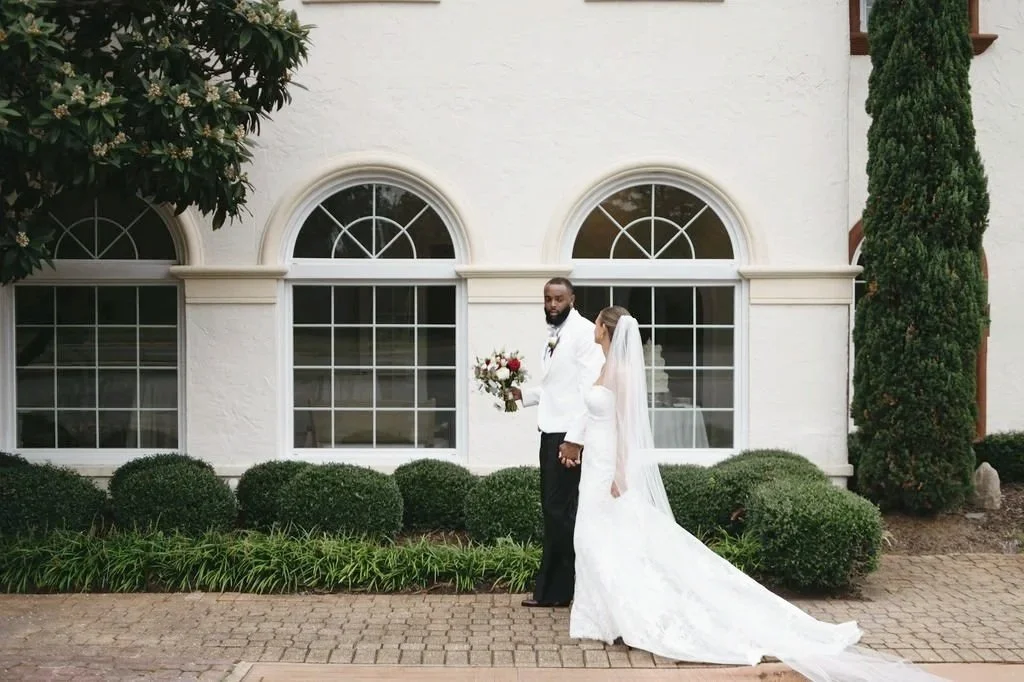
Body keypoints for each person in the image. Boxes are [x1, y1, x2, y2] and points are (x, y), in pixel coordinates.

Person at [569, 305, 949, 682]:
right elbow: (596, 419)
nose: (593, 326)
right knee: (594, 537)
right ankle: (600, 617)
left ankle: (626, 615)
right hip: (594, 461)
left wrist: (619, 472)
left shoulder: (620, 370)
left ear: (604, 327)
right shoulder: (604, 365)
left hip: (609, 468)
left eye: (596, 322)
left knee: (600, 536)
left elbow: (624, 425)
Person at [509, 277, 605, 608]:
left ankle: (562, 590)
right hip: (551, 431)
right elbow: (557, 386)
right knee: (555, 512)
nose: (552, 305)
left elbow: (589, 391)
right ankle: (555, 590)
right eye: (548, 299)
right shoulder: (555, 334)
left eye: (559, 299)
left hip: (568, 437)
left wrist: (575, 440)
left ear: (572, 299)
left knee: (559, 511)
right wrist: (525, 395)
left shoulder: (583, 333)